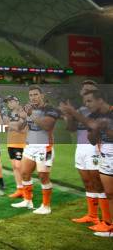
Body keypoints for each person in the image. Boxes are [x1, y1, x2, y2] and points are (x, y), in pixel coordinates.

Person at [59, 81, 108, 229]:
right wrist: (69, 117)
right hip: (80, 149)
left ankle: (106, 220)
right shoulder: (81, 109)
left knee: (99, 185)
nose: (85, 90)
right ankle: (92, 216)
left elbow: (93, 125)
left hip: (95, 149)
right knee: (88, 183)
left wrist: (73, 113)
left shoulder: (99, 109)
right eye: (83, 88)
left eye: (89, 88)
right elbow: (71, 129)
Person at [11, 85, 60, 215]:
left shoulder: (50, 109)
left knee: (43, 176)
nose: (33, 97)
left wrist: (30, 114)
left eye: (35, 94)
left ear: (42, 95)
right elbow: (21, 127)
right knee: (24, 173)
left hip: (45, 148)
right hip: (30, 146)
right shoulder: (29, 109)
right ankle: (28, 201)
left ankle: (46, 206)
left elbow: (47, 126)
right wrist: (22, 117)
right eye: (31, 95)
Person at [84, 89, 113, 237]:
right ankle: (109, 225)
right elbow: (92, 140)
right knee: (109, 193)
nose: (87, 104)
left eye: (89, 101)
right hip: (105, 155)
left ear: (100, 100)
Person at [3, 95, 28, 198]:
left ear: (17, 102)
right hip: (11, 143)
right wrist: (6, 124)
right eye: (8, 102)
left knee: (19, 166)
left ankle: (26, 190)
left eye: (11, 102)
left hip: (21, 143)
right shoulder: (9, 114)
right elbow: (6, 129)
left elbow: (22, 129)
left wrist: (10, 125)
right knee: (14, 167)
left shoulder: (23, 113)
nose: (9, 104)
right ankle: (20, 189)